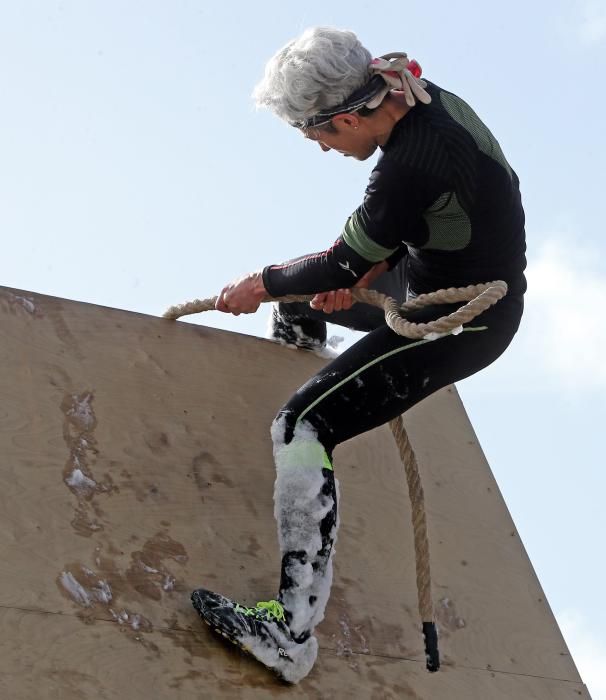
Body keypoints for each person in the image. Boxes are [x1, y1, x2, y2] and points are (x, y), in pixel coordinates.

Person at [191, 26, 526, 684]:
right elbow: (441, 215)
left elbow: (343, 258)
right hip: (435, 269)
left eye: (315, 135)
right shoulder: (429, 100)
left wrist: (257, 284)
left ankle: (290, 633)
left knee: (300, 423)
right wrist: (365, 276)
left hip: (464, 319)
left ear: (345, 116)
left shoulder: (405, 168)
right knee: (301, 301)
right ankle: (314, 368)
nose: (319, 148)